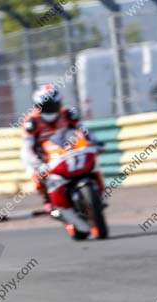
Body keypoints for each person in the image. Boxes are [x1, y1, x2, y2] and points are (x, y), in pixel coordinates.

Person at [21, 84, 105, 212]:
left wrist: (94, 142)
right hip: (42, 153)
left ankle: (98, 193)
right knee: (36, 174)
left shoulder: (68, 113)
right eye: (47, 107)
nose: (52, 110)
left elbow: (83, 130)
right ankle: (47, 199)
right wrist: (37, 164)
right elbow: (28, 147)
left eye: (54, 105)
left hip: (66, 147)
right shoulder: (31, 122)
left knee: (93, 163)